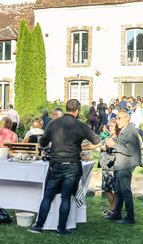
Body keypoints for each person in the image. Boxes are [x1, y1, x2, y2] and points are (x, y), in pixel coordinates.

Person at [28, 99, 100, 235]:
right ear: (77, 111)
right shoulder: (82, 125)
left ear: (66, 108)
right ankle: (61, 228)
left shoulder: (53, 123)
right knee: (66, 197)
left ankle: (38, 226)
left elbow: (42, 143)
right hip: (73, 165)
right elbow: (97, 142)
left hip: (56, 164)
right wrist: (81, 147)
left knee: (48, 196)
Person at [103, 109, 141, 224]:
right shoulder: (125, 130)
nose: (117, 121)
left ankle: (130, 217)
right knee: (119, 191)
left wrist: (114, 145)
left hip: (126, 165)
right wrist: (110, 144)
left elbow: (129, 151)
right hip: (121, 164)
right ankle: (117, 213)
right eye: (117, 118)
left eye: (119, 118)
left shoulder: (131, 131)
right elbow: (120, 144)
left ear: (127, 119)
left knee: (125, 191)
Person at [99, 119, 118, 215]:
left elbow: (113, 150)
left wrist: (105, 148)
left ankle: (113, 209)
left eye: (112, 126)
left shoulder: (115, 138)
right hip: (106, 166)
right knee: (107, 189)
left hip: (110, 167)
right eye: (109, 126)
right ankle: (112, 208)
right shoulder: (110, 136)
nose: (110, 127)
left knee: (108, 189)